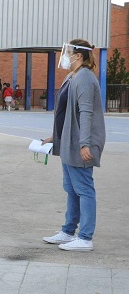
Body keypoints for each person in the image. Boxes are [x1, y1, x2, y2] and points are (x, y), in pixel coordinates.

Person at [41, 39, 106, 252]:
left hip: (81, 143)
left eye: (68, 52)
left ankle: (85, 237)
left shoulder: (85, 78)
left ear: (78, 56)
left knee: (84, 189)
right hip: (69, 141)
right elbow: (65, 112)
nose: (65, 56)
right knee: (71, 189)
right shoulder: (72, 76)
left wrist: (85, 144)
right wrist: (55, 136)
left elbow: (86, 112)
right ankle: (68, 231)